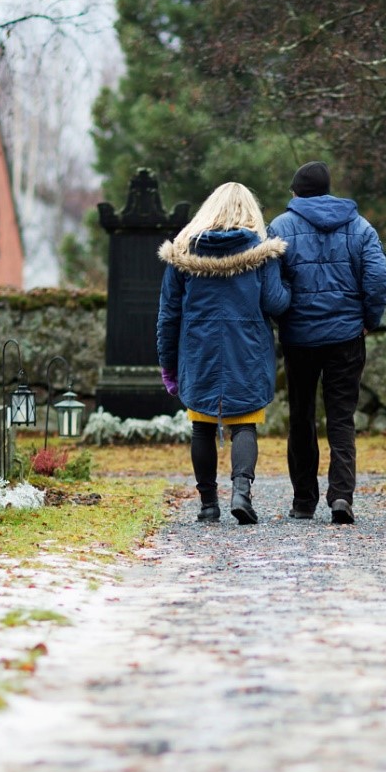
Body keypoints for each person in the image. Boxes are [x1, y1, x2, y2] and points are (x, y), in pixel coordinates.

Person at [156, 182, 290, 524]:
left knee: (201, 426)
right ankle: (241, 493)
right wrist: (287, 286)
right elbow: (275, 303)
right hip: (247, 350)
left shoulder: (183, 253)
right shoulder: (262, 252)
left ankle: (207, 505)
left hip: (198, 352)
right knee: (244, 424)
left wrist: (168, 365)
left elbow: (168, 316)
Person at [268, 161, 386, 523]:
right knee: (341, 418)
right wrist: (369, 320)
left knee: (301, 417)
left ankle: (303, 501)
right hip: (346, 337)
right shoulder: (359, 226)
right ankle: (341, 496)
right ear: (327, 190)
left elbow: (270, 287)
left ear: (296, 192)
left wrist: (284, 315)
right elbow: (378, 277)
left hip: (299, 338)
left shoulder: (280, 227)